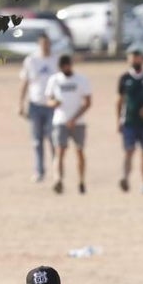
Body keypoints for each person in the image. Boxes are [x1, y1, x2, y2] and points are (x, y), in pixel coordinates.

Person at [44, 54, 92, 195]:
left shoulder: (81, 80)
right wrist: (54, 103)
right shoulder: (54, 80)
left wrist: (75, 118)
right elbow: (48, 100)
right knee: (59, 151)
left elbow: (88, 102)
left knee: (79, 151)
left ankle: (81, 180)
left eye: (67, 65)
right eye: (63, 66)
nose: (66, 68)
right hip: (60, 120)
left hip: (78, 122)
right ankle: (58, 179)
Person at [117, 46, 143, 194]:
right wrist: (118, 120)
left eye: (137, 57)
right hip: (129, 121)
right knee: (129, 150)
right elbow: (120, 101)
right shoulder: (125, 78)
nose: (135, 60)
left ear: (142, 59)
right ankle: (125, 177)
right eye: (132, 57)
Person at [17, 33, 58, 184]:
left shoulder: (56, 60)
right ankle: (39, 171)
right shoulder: (31, 60)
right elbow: (25, 82)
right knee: (36, 140)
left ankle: (57, 170)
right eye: (43, 44)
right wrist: (21, 103)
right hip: (35, 104)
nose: (45, 46)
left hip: (53, 105)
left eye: (48, 44)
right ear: (39, 44)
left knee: (53, 139)